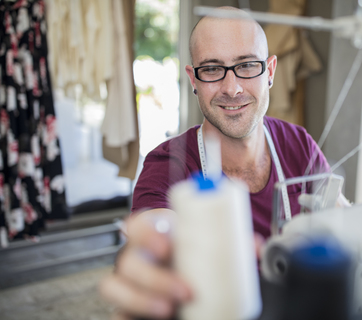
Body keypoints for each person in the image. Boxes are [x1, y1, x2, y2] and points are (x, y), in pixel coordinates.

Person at [100, 7, 347, 319]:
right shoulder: (168, 165)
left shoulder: (298, 144)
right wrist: (155, 259)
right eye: (213, 69)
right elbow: (157, 232)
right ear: (193, 78)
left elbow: (343, 218)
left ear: (270, 71)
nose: (232, 89)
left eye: (246, 65)